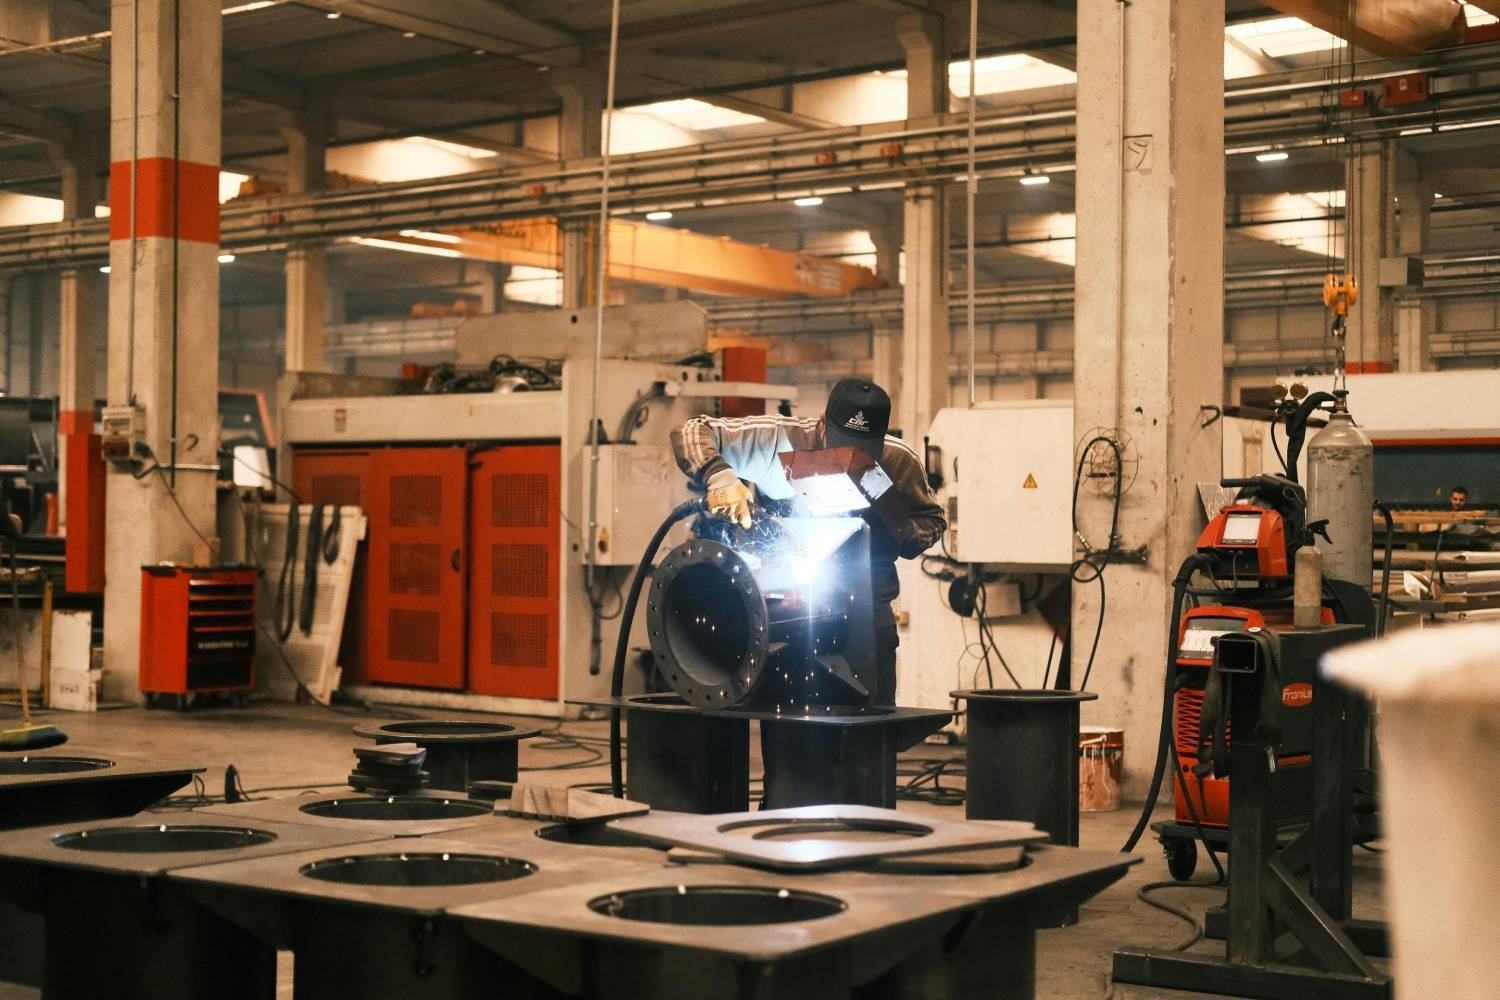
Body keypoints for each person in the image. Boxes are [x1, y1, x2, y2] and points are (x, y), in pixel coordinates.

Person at [670, 377, 946, 706]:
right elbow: (692, 431)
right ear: (822, 423)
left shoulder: (898, 460)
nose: (849, 459)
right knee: (784, 720)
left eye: (863, 451)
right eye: (841, 446)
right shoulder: (779, 438)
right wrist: (719, 476)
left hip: (866, 616)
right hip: (784, 610)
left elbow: (933, 522)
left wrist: (901, 529)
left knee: (872, 722)